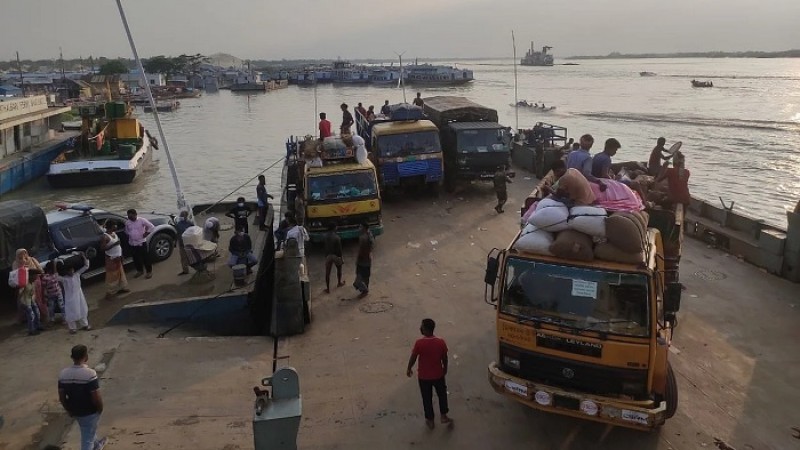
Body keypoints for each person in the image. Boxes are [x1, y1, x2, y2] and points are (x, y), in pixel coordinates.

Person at [406, 318, 452, 429]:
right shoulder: (441, 342)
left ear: (425, 329)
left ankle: (430, 420)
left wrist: (409, 368)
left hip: (424, 377)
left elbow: (413, 357)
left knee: (426, 398)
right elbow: (445, 358)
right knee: (442, 395)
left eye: (421, 327)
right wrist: (445, 369)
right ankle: (444, 416)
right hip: (438, 375)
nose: (420, 328)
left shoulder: (419, 343)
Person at [58, 345, 107, 450]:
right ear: (86, 356)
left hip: (75, 410)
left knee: (87, 429)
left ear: (72, 357)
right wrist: (100, 408)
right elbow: (96, 397)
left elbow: (62, 397)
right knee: (87, 439)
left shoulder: (63, 374)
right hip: (89, 411)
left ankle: (97, 445)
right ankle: (95, 445)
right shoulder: (90, 374)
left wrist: (69, 410)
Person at [60, 254, 91, 334]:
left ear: (74, 270)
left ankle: (85, 325)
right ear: (66, 272)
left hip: (79, 296)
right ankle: (72, 328)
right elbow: (56, 276)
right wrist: (54, 265)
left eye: (72, 270)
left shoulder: (77, 274)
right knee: (70, 312)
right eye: (69, 270)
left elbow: (86, 266)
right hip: (69, 298)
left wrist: (84, 256)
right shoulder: (64, 279)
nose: (71, 272)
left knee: (82, 309)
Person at [12, 248, 43, 324]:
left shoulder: (32, 260)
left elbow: (40, 270)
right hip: (23, 284)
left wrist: (32, 273)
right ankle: (26, 319)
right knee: (24, 302)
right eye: (21, 254)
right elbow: (15, 274)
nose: (23, 255)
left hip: (35, 282)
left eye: (24, 253)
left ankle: (40, 317)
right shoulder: (15, 263)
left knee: (37, 300)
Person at [101, 222, 128, 299]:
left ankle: (123, 288)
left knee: (120, 274)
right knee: (112, 276)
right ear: (110, 227)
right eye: (114, 226)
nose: (116, 227)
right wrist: (114, 244)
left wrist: (121, 255)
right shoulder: (105, 237)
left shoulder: (114, 233)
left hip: (118, 257)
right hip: (111, 259)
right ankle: (110, 293)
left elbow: (118, 246)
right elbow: (102, 248)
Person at [124, 209, 154, 279]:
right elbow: (126, 231)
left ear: (135, 215)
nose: (130, 218)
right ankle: (139, 271)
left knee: (145, 258)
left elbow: (151, 226)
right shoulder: (127, 223)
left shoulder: (142, 220)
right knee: (136, 258)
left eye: (131, 216)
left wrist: (146, 233)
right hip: (132, 243)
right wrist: (132, 235)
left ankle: (149, 272)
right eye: (129, 217)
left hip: (141, 242)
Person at [19, 268, 43, 335]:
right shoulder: (25, 283)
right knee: (31, 316)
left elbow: (33, 293)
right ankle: (31, 330)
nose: (36, 277)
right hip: (25, 302)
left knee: (37, 313)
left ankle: (37, 326)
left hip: (31, 300)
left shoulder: (32, 282)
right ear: (30, 275)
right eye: (35, 275)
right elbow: (19, 293)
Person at [353, 223, 373, 298]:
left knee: (358, 278)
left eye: (360, 227)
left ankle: (364, 290)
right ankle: (366, 289)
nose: (359, 228)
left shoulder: (362, 237)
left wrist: (358, 259)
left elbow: (361, 250)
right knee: (366, 276)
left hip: (362, 260)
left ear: (364, 228)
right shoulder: (369, 234)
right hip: (368, 258)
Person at [323, 224, 344, 294]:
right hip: (336, 255)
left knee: (327, 273)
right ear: (334, 228)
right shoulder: (336, 237)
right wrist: (341, 257)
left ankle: (328, 288)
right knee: (339, 269)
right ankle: (339, 283)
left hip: (328, 255)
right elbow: (339, 249)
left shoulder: (325, 236)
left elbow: (325, 247)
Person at [174, 210, 195, 275]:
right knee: (185, 258)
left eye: (182, 215)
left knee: (188, 257)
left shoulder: (187, 223)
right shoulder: (180, 224)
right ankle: (186, 270)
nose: (181, 217)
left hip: (186, 243)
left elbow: (194, 232)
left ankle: (189, 269)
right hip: (185, 243)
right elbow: (177, 234)